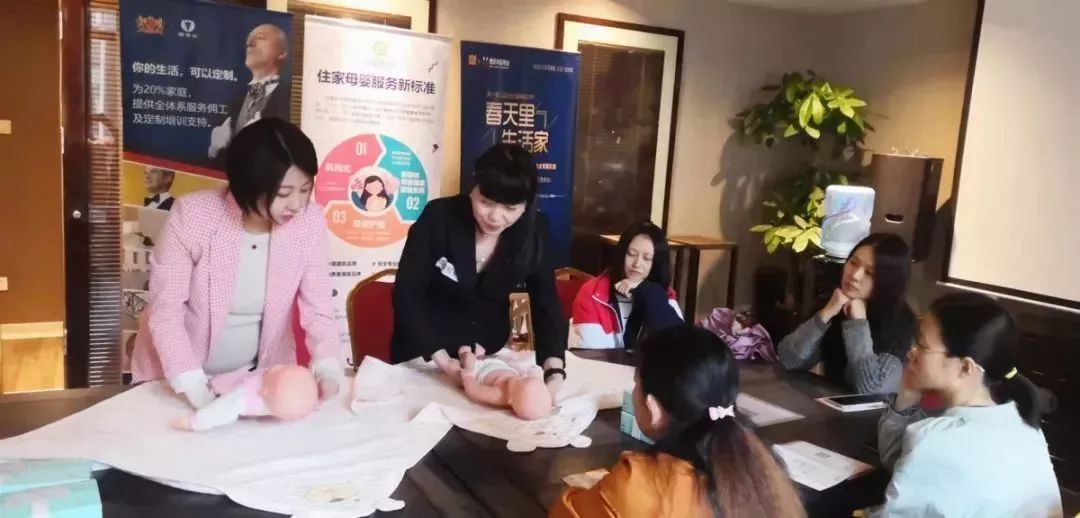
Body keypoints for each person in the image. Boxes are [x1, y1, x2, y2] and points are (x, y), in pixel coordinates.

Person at [131, 118, 345, 409]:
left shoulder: (309, 222)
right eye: (283, 193)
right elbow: (166, 309)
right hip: (177, 376)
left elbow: (318, 309)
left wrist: (328, 367)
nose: (296, 204)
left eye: (305, 190)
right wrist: (193, 385)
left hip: (261, 379)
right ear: (247, 185)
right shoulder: (194, 215)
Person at [551, 325, 805, 517]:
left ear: (653, 408)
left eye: (636, 385)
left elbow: (564, 512)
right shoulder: (763, 466)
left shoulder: (637, 484)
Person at [391, 143, 567, 396]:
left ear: (526, 205)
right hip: (425, 355)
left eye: (510, 208)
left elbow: (545, 304)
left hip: (487, 357)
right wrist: (443, 361)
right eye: (486, 202)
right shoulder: (439, 217)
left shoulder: (534, 230)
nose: (495, 217)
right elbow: (407, 295)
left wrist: (554, 370)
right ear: (472, 188)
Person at [868, 292, 1061, 517]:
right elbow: (903, 466)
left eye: (922, 346)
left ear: (966, 367)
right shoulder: (1026, 424)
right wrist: (909, 392)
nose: (912, 352)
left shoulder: (936, 440)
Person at [778, 233, 915, 394]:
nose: (855, 276)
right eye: (853, 263)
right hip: (827, 406)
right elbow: (789, 360)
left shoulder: (901, 322)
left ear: (888, 281)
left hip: (874, 410)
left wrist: (858, 323)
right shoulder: (836, 302)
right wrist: (826, 313)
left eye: (870, 273)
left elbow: (870, 388)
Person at [571, 222, 682, 349]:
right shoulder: (592, 293)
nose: (637, 264)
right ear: (622, 254)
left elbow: (678, 346)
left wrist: (646, 291)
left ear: (656, 264)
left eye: (646, 258)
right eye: (632, 254)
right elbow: (591, 351)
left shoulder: (662, 294)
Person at [208, 23, 291, 159]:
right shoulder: (233, 101)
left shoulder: (292, 99)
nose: (249, 43)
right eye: (248, 39)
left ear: (281, 53)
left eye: (260, 38)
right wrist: (214, 150)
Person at [436, 345, 553, 420]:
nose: (521, 377)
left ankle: (449, 361)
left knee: (462, 366)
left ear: (512, 401)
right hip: (497, 364)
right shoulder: (520, 384)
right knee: (495, 357)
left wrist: (468, 377)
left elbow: (475, 392)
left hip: (477, 371)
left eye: (519, 381)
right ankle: (480, 356)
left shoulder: (500, 395)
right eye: (525, 378)